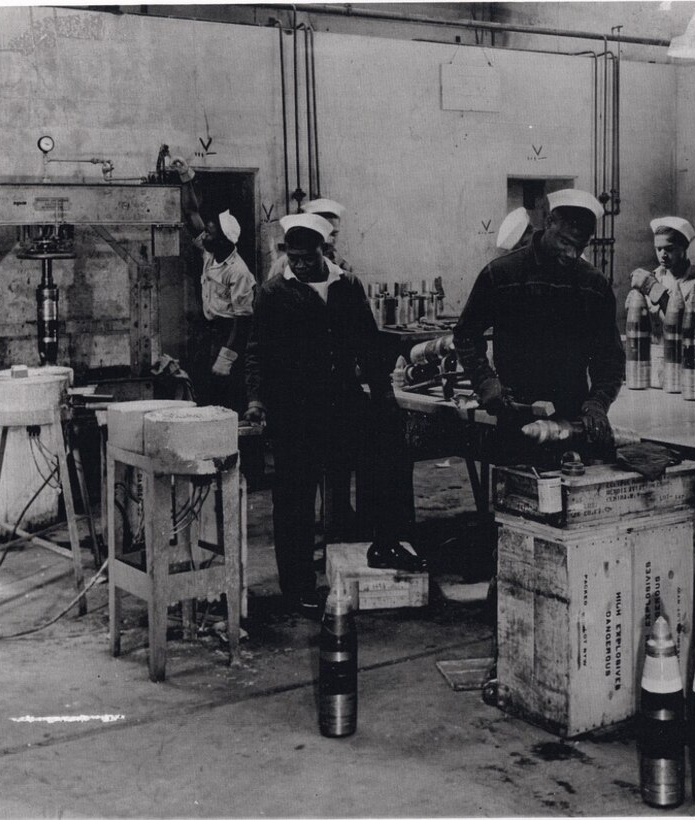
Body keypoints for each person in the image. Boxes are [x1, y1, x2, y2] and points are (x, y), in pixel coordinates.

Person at [244, 213, 421, 618]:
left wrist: (384, 397)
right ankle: (298, 588)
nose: (300, 265)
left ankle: (369, 558)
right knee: (294, 501)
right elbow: (257, 352)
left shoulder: (347, 286)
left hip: (342, 404)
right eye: (293, 257)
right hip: (294, 411)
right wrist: (256, 400)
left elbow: (369, 345)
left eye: (307, 258)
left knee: (367, 479)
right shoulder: (273, 293)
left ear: (324, 251)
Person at [453, 188, 624, 469]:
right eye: (565, 242)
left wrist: (598, 402)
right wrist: (485, 381)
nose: (572, 254)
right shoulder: (501, 274)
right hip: (514, 417)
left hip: (571, 421)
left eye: (580, 247)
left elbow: (611, 358)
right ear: (548, 223)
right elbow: (466, 334)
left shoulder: (594, 286)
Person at [172, 156, 256, 411]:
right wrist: (185, 176)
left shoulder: (239, 272)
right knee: (204, 394)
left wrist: (226, 358)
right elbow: (191, 213)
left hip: (228, 335)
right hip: (207, 334)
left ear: (224, 241)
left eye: (210, 233)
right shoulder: (210, 253)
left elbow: (243, 321)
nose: (204, 234)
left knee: (228, 400)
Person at [630, 216, 695, 312]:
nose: (663, 255)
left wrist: (655, 290)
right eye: (658, 249)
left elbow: (690, 324)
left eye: (669, 249)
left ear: (684, 247)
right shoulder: (654, 276)